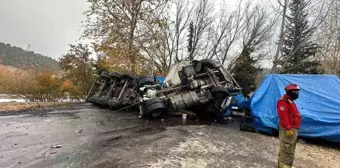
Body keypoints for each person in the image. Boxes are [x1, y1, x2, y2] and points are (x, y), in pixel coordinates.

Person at [277, 84, 302, 168]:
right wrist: (288, 128)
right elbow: (283, 116)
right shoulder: (283, 101)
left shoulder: (290, 101)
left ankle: (287, 165)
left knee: (290, 148)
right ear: (289, 92)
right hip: (288, 128)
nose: (296, 93)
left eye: (297, 92)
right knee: (286, 148)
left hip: (293, 128)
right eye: (295, 92)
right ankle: (283, 165)